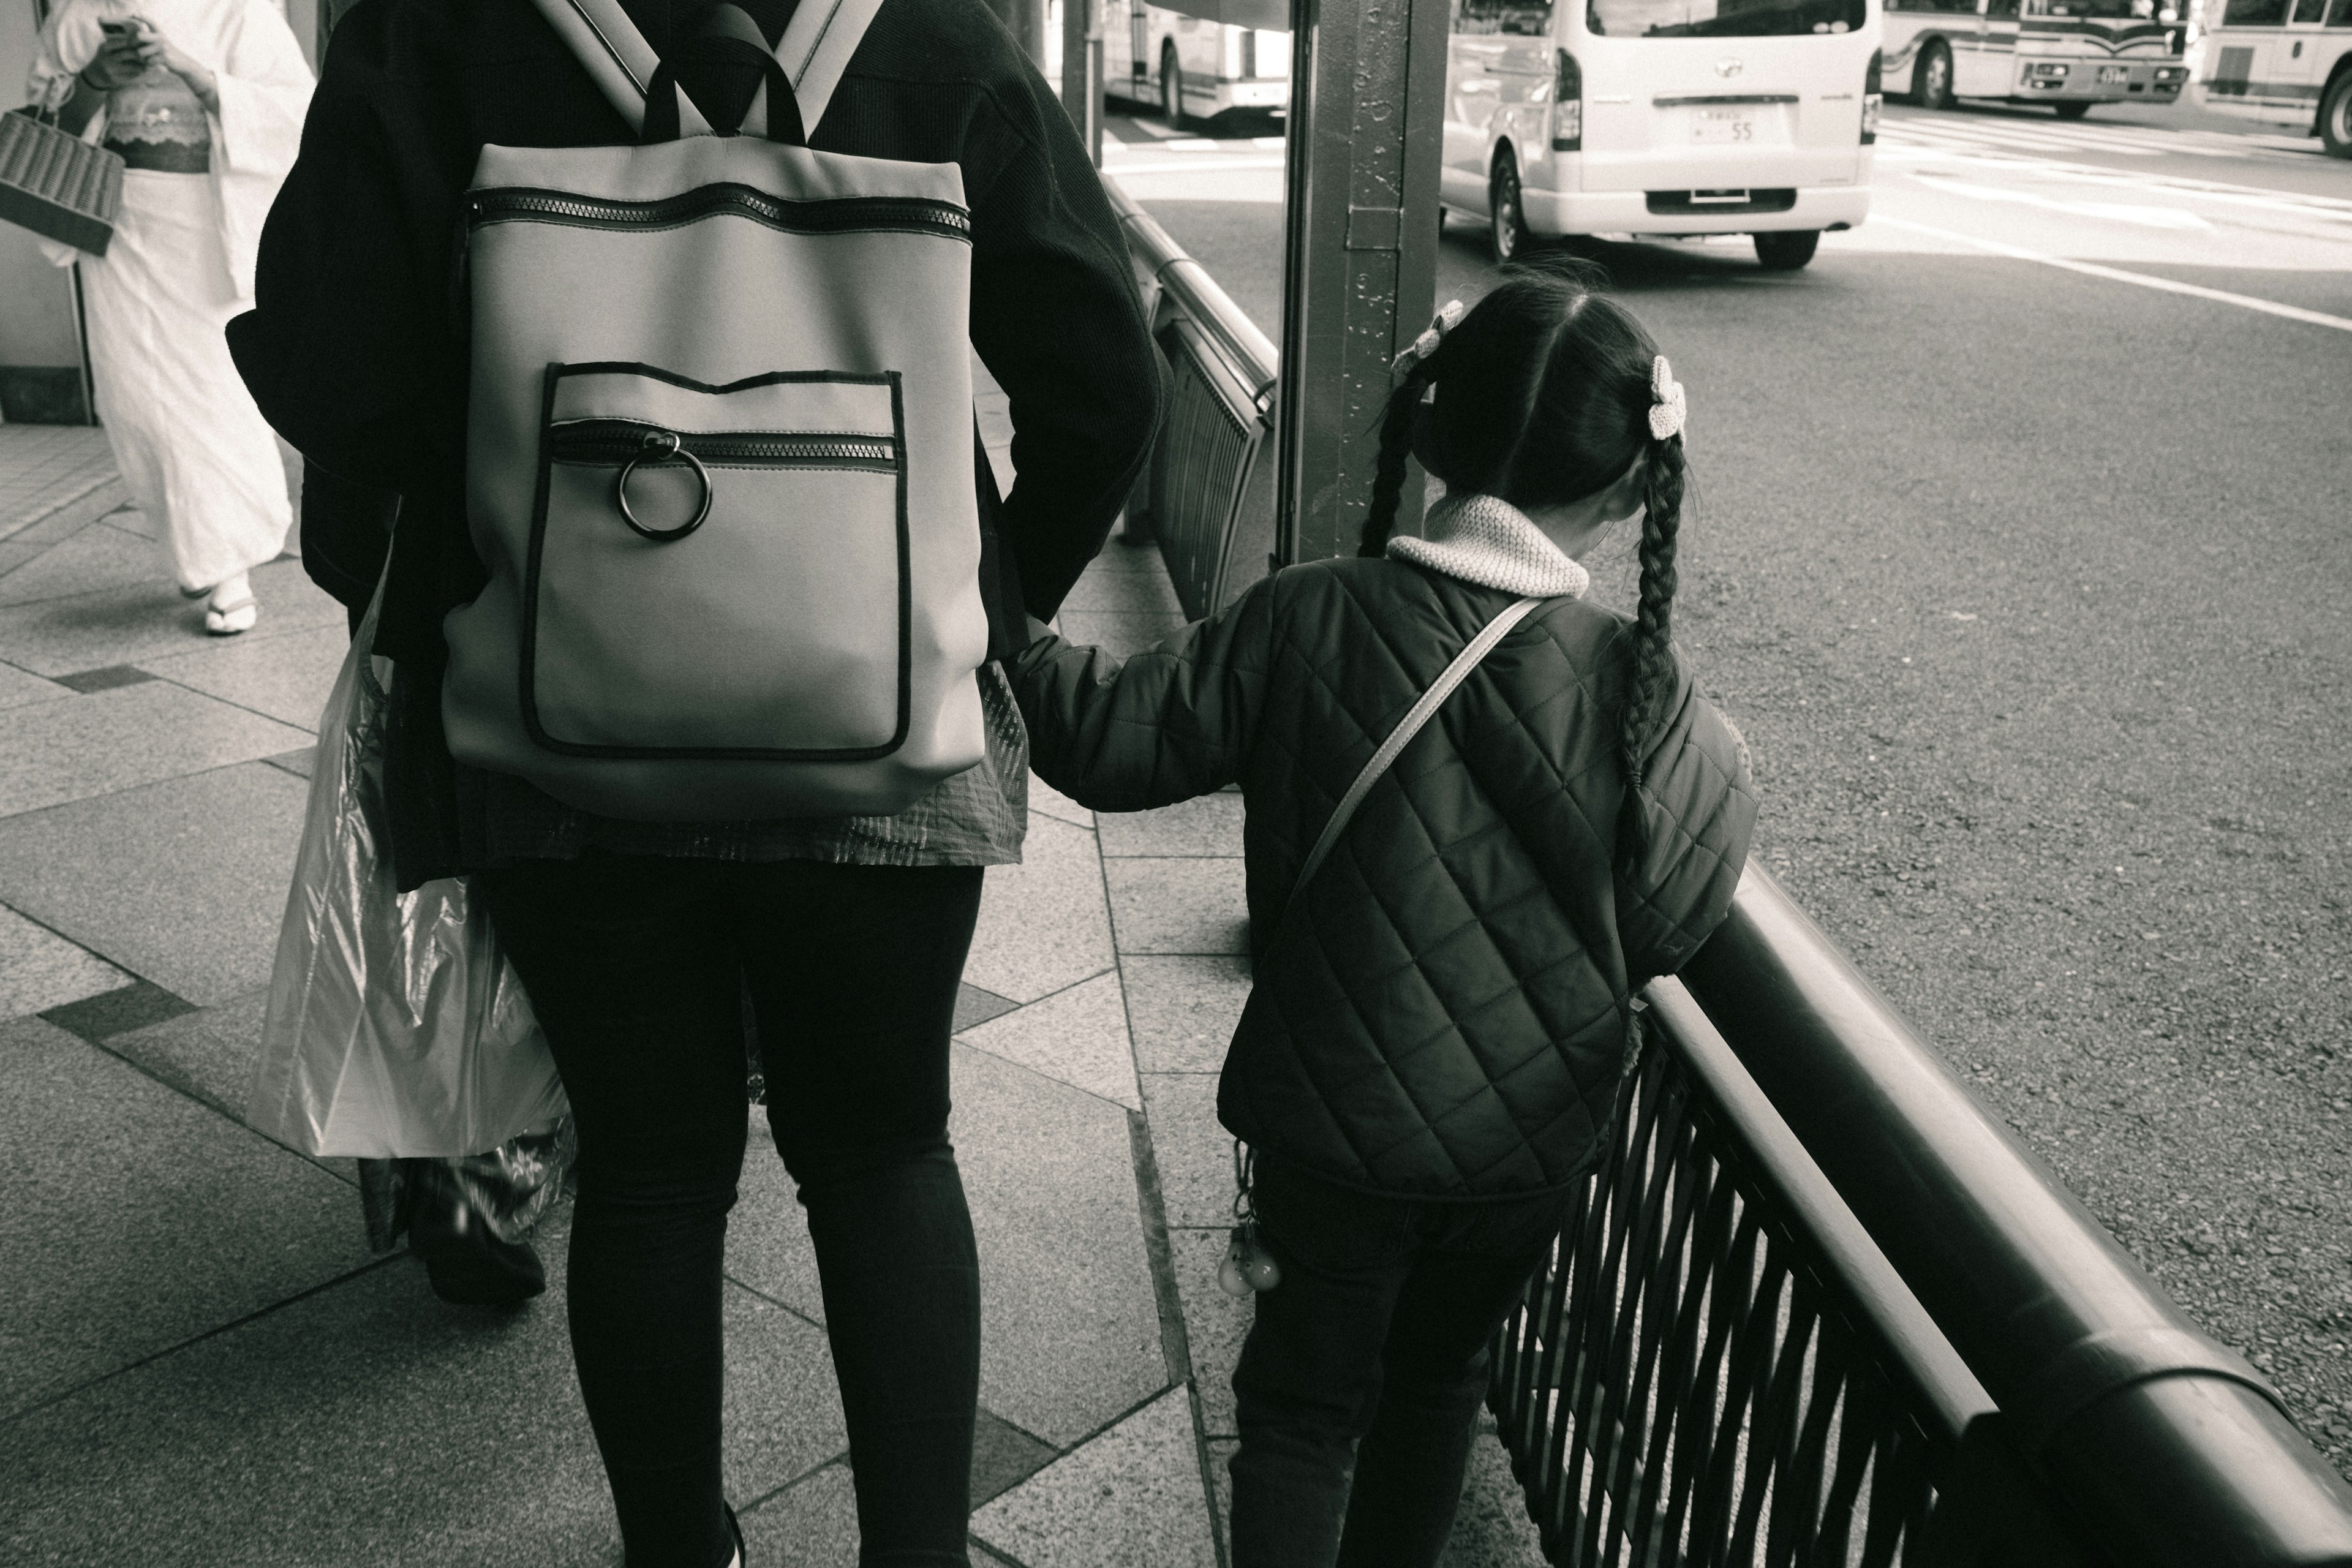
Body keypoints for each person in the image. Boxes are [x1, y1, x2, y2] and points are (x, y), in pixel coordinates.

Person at [225, 0, 1163, 1563]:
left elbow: (327, 368)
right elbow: (1107, 382)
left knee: (652, 1165)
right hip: (883, 712)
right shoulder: (933, 39)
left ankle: (678, 1548)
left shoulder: (436, 32)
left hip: (557, 699)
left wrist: (506, 482)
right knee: (882, 1149)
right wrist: (979, 594)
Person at [1009, 268, 1757, 1568]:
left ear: (1430, 427)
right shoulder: (1646, 690)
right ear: (1633, 486)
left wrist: (995, 619)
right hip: (1523, 1144)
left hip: (1332, 1127)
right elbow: (1675, 913)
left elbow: (1107, 744)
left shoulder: (1311, 617)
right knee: (1438, 1383)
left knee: (1302, 1409)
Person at [28, 0, 310, 635]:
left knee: (211, 400)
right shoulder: (80, 16)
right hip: (118, 226)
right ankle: (196, 549)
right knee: (135, 399)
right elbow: (42, 118)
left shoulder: (240, 11)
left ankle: (226, 566)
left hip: (208, 228)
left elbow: (298, 113)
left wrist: (198, 76)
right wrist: (94, 79)